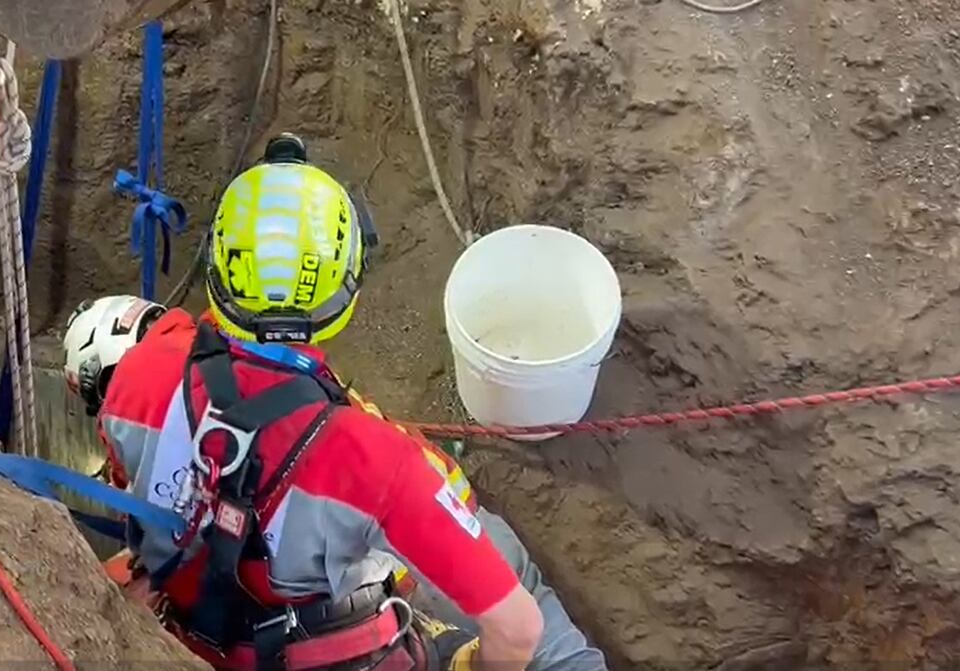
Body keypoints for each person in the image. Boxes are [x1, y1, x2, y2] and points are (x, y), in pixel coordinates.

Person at [63, 134, 608, 671]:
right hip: (360, 610)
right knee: (544, 631)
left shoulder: (133, 385)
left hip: (213, 628)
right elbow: (516, 629)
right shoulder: (374, 458)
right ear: (346, 290)